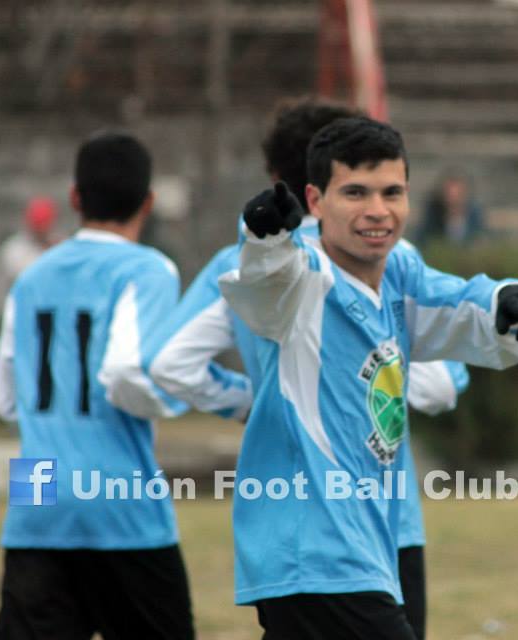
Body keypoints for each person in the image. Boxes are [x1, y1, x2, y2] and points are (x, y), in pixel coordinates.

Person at [136, 98, 467, 639]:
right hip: (385, 514)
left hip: (291, 515)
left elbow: (169, 364)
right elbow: (439, 381)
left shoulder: (244, 264)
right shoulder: (390, 255)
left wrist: (255, 404)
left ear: (276, 180)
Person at [218, 117, 518, 638]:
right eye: (355, 192)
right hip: (319, 553)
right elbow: (265, 285)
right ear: (315, 200)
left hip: (360, 551)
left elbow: (462, 305)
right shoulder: (302, 279)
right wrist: (265, 238)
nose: (377, 210)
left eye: (392, 192)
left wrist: (510, 301)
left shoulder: (399, 273)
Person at [0, 132, 197, 639]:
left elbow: (6, 399)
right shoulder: (149, 268)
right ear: (148, 203)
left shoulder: (32, 275)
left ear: (74, 198)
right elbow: (128, 372)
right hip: (117, 496)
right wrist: (171, 397)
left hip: (35, 498)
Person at [0, 196, 62, 292]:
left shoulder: (61, 247)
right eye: (38, 225)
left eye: (44, 225)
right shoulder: (14, 249)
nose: (41, 230)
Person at [413, 169, 485, 246]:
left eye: (458, 195)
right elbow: (421, 241)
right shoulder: (433, 217)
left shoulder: (475, 217)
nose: (454, 201)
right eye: (450, 196)